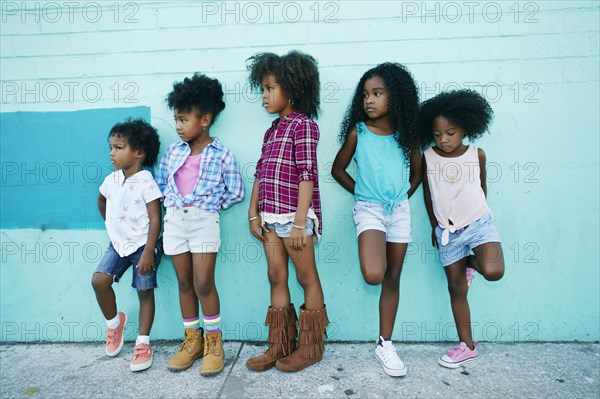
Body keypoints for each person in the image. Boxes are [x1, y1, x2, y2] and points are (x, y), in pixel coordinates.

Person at [331, 62, 421, 377]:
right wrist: (364, 193)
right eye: (366, 94)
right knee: (374, 274)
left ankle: (385, 342)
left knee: (392, 278)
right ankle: (383, 340)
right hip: (368, 208)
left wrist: (401, 196)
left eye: (377, 93)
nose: (369, 100)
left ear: (394, 97)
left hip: (398, 211)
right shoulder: (359, 132)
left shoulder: (407, 135)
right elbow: (337, 169)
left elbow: (417, 172)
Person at [245, 51, 329, 373]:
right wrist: (254, 213)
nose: (264, 96)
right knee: (275, 275)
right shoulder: (271, 131)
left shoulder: (304, 126)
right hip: (269, 218)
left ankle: (310, 348)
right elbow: (261, 173)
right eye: (263, 89)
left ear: (291, 89)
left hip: (294, 220)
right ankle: (279, 345)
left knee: (307, 277)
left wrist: (298, 224)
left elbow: (308, 175)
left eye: (270, 89)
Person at [156, 73, 244, 376]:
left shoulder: (221, 153)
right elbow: (161, 183)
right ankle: (191, 341)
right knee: (183, 282)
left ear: (204, 119)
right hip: (175, 222)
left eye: (183, 120)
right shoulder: (173, 152)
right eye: (176, 120)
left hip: (204, 222)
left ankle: (213, 343)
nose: (178, 126)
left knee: (203, 282)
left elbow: (236, 191)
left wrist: (207, 207)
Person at [419, 89, 505, 368]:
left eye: (450, 133)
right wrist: (435, 227)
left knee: (493, 271)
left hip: (479, 224)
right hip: (447, 232)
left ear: (465, 129)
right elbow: (428, 195)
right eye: (437, 134)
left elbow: (481, 188)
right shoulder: (428, 157)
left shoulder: (476, 155)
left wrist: (477, 221)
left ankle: (471, 262)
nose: (443, 139)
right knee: (457, 288)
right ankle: (467, 345)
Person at [92, 118, 163, 372]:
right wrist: (112, 225)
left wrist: (148, 252)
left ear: (139, 153)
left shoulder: (146, 181)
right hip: (118, 244)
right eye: (111, 147)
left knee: (144, 291)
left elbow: (156, 219)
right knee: (99, 280)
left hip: (144, 246)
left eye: (119, 147)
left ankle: (143, 343)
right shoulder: (111, 180)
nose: (112, 153)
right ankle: (114, 324)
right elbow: (101, 201)